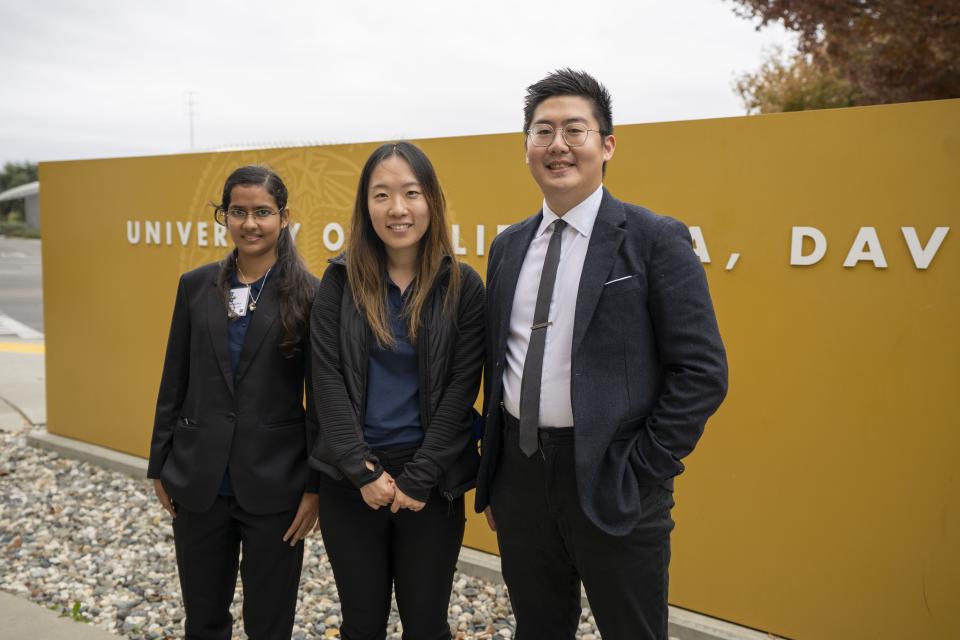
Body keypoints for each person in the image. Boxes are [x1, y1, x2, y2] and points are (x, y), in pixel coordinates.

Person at [475, 69, 729, 640]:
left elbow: (702, 372)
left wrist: (642, 469)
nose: (557, 145)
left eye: (574, 130)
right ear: (526, 148)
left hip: (616, 479)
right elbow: (502, 363)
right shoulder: (508, 245)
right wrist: (496, 476)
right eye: (542, 132)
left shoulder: (654, 238)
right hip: (521, 477)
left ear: (606, 144)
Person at [309, 141, 485, 640]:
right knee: (361, 624)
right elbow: (325, 380)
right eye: (381, 194)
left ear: (431, 200)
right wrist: (362, 471)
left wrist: (419, 477)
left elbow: (461, 387)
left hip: (432, 483)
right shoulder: (339, 281)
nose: (397, 208)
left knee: (427, 624)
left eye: (411, 192)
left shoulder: (462, 285)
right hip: (351, 481)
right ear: (366, 206)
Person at [147, 165, 320, 640]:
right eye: (238, 212)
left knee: (270, 620)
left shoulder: (310, 294)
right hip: (198, 479)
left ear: (284, 218)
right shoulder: (195, 285)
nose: (250, 223)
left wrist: (314, 486)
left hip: (276, 485)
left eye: (262, 212)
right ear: (224, 216)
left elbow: (322, 399)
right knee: (203, 617)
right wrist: (159, 462)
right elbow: (174, 376)